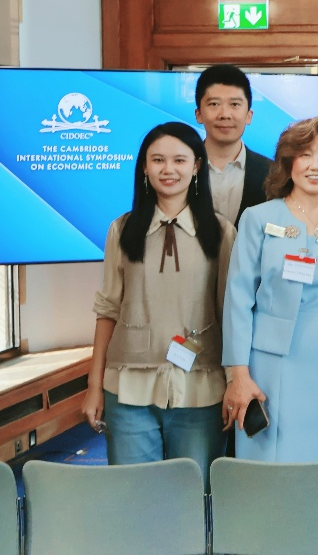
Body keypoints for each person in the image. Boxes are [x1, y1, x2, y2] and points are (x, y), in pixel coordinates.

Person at [83, 122, 236, 482]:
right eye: (158, 160)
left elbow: (231, 314)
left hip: (201, 388)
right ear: (144, 168)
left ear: (196, 166)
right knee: (135, 495)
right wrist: (94, 387)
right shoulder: (121, 230)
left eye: (179, 160)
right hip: (127, 388)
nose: (169, 169)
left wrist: (234, 381)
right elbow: (108, 310)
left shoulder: (221, 232)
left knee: (193, 494)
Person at [222, 117, 318, 462]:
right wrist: (238, 374)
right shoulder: (259, 218)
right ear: (288, 162)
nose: (316, 165)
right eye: (305, 155)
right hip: (270, 362)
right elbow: (238, 300)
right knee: (270, 463)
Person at [194, 64, 270, 225]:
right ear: (198, 114)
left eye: (235, 104)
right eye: (214, 104)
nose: (225, 114)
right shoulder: (179, 169)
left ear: (249, 115)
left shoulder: (273, 173)